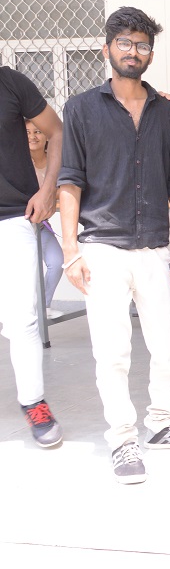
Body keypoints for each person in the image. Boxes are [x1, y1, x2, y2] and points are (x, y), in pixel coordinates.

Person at [59, 6, 170, 484]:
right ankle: (122, 438)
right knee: (113, 351)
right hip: (101, 246)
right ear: (107, 48)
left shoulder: (165, 111)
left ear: (150, 53)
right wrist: (70, 251)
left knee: (168, 343)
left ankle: (161, 422)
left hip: (154, 246)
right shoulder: (81, 108)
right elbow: (70, 181)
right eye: (124, 42)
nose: (133, 51)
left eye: (142, 44)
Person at [1, 68, 63, 448]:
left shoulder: (10, 83)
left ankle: (33, 402)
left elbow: (56, 130)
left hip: (12, 216)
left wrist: (48, 187)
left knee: (22, 319)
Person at [25, 118, 64, 319]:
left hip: (41, 225)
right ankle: (27, 312)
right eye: (27, 132)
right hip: (21, 225)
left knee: (57, 262)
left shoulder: (54, 160)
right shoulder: (19, 163)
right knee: (26, 270)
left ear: (47, 136)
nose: (32, 136)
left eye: (38, 131)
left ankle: (43, 307)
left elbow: (63, 189)